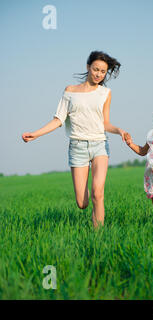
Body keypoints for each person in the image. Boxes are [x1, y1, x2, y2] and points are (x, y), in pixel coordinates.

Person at [22, 51, 128, 228]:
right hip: (77, 147)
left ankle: (98, 237)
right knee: (82, 203)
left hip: (99, 145)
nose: (99, 74)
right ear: (88, 67)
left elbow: (105, 123)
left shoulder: (105, 93)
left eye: (103, 72)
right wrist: (36, 134)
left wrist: (119, 130)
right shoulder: (70, 91)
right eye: (96, 69)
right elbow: (58, 120)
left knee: (98, 193)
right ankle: (85, 192)